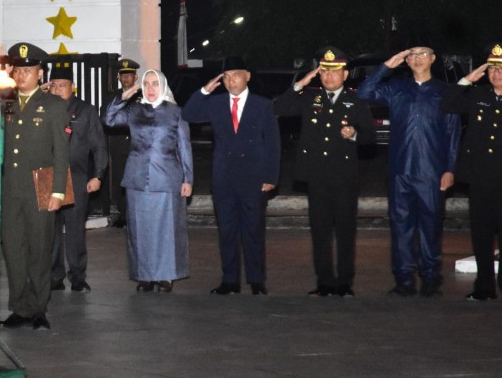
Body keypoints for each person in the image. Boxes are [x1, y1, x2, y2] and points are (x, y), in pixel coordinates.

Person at [0, 42, 70, 330]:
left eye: (27, 70)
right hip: (10, 190)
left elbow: (61, 150)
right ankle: (20, 307)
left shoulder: (53, 105)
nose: (21, 76)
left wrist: (58, 191)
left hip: (40, 187)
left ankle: (39, 308)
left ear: (40, 73)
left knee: (39, 249)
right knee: (14, 250)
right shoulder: (3, 103)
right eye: (17, 70)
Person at [357, 46, 460, 297]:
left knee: (431, 227)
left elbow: (453, 133)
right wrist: (387, 66)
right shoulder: (397, 88)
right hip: (400, 170)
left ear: (433, 59)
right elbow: (364, 92)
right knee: (401, 227)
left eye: (423, 54)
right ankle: (403, 280)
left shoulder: (444, 92)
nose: (417, 59)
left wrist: (450, 169)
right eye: (412, 55)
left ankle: (430, 278)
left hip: (431, 171)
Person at [273, 47, 376, 297]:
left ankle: (344, 283)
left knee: (344, 231)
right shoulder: (310, 97)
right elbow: (280, 108)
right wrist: (301, 83)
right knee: (319, 231)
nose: (329, 77)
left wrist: (354, 134)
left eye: (335, 72)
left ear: (345, 74)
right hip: (316, 176)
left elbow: (370, 138)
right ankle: (324, 282)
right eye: (325, 72)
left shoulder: (356, 100)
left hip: (344, 177)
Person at [182, 57, 280, 295]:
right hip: (224, 177)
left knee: (253, 230)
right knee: (226, 231)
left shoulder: (263, 105)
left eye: (235, 75)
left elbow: (273, 143)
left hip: (254, 177)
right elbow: (188, 113)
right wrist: (205, 89)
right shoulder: (215, 103)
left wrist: (271, 176)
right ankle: (230, 280)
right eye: (225, 76)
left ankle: (257, 280)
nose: (230, 80)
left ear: (247, 76)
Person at [105, 68, 193, 292]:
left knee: (166, 229)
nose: (151, 89)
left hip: (167, 178)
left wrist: (188, 178)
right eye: (147, 84)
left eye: (155, 84)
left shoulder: (175, 112)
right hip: (137, 177)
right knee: (139, 228)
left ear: (162, 86)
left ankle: (165, 275)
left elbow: (184, 147)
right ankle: (144, 275)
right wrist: (122, 98)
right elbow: (109, 120)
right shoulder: (134, 110)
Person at [440, 43, 502, 301]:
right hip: (481, 178)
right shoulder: (478, 95)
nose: (497, 74)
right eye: (493, 69)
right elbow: (448, 103)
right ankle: (484, 287)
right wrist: (467, 79)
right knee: (481, 234)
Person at [46, 61, 108, 292]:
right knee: (50, 232)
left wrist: (98, 175)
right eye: (54, 85)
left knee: (74, 231)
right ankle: (54, 276)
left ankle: (78, 277)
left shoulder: (86, 110)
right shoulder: (42, 108)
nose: (58, 89)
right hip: (49, 178)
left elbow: (99, 146)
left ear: (73, 86)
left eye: (63, 85)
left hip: (77, 177)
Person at [102, 58, 139, 227]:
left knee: (137, 180)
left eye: (129, 75)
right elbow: (105, 117)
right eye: (123, 75)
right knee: (120, 179)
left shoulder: (143, 96)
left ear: (135, 77)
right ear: (118, 77)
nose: (126, 79)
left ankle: (137, 215)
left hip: (137, 145)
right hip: (118, 145)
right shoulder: (112, 97)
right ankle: (123, 215)